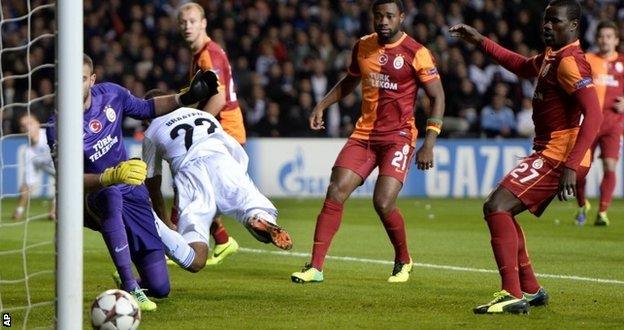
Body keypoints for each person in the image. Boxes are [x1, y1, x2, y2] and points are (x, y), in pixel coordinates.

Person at [450, 0, 602, 314]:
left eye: (555, 22)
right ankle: (530, 289)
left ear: (573, 26)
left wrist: (571, 165)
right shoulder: (552, 56)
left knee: (496, 207)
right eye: (546, 20)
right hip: (549, 152)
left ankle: (511, 292)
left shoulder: (570, 62)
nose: (547, 26)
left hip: (559, 156)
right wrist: (480, 41)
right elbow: (520, 65)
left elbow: (595, 115)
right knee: (501, 208)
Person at [46, 54, 219, 311]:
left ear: (91, 80)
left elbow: (147, 108)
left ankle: (136, 282)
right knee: (111, 194)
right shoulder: (57, 125)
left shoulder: (112, 95)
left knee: (161, 287)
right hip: (92, 197)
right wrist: (109, 177)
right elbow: (68, 180)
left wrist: (184, 98)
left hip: (132, 191)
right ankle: (130, 286)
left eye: (81, 79)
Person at [291, 0, 446, 284]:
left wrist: (429, 142)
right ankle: (315, 267)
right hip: (364, 135)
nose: (383, 21)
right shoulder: (363, 45)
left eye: (389, 16)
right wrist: (322, 105)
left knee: (383, 202)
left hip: (398, 137)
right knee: (335, 191)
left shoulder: (417, 52)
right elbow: (350, 80)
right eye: (378, 16)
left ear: (401, 17)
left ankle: (403, 259)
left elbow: (437, 96)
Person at [142, 89, 292, 273]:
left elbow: (153, 185)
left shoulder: (151, 131)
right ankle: (260, 218)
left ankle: (157, 242)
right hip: (223, 161)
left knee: (196, 259)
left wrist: (166, 222)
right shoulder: (202, 115)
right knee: (252, 206)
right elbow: (232, 147)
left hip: (191, 174)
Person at [175, 2, 246, 264]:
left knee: (187, 181)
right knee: (193, 185)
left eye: (192, 21)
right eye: (183, 22)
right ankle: (224, 240)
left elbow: (218, 99)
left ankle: (175, 245)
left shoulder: (209, 55)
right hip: (218, 128)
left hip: (224, 129)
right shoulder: (199, 55)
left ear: (203, 23)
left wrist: (191, 124)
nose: (187, 26)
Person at [574, 20, 624, 226]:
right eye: (601, 36)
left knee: (609, 165)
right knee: (579, 168)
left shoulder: (623, 63)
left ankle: (603, 211)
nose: (604, 40)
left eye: (608, 36)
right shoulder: (587, 59)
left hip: (613, 124)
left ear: (616, 40)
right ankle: (583, 203)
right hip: (589, 123)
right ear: (597, 39)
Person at [12, 114, 55, 221]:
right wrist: (20, 209)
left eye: (30, 123)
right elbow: (28, 184)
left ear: (38, 124)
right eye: (23, 126)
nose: (27, 127)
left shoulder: (51, 135)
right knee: (26, 184)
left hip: (78, 172)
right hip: (60, 177)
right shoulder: (28, 152)